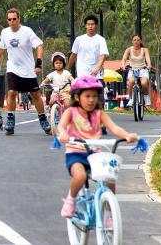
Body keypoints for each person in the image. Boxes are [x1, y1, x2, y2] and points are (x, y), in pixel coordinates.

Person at [57, 75, 137, 218]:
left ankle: (108, 214)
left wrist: (127, 135)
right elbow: (61, 126)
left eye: (94, 96)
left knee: (110, 180)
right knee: (80, 176)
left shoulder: (99, 114)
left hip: (95, 155)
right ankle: (70, 200)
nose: (91, 100)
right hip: (75, 153)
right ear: (77, 97)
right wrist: (63, 134)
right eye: (87, 96)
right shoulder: (71, 112)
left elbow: (114, 127)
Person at [0, 8, 51, 135]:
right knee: (12, 92)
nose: (12, 21)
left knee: (35, 95)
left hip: (28, 69)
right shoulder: (5, 33)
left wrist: (39, 62)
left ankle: (43, 119)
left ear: (19, 19)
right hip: (13, 68)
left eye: (14, 19)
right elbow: (0, 49)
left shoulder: (27, 31)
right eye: (9, 19)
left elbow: (39, 46)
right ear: (7, 20)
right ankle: (10, 120)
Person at [67, 14, 109, 134]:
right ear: (85, 25)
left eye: (92, 24)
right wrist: (67, 69)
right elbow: (73, 55)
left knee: (99, 99)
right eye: (88, 24)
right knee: (81, 100)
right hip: (82, 75)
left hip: (97, 75)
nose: (90, 26)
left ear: (95, 26)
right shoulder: (79, 39)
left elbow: (103, 55)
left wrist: (97, 67)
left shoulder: (100, 39)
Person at [121, 34, 152, 106]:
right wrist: (123, 65)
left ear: (140, 41)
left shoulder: (144, 50)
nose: (136, 41)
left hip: (143, 70)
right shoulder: (128, 50)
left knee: (144, 83)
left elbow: (147, 58)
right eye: (134, 40)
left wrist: (149, 65)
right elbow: (124, 59)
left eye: (138, 40)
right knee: (131, 81)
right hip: (132, 70)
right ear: (132, 41)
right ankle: (131, 99)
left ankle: (146, 97)